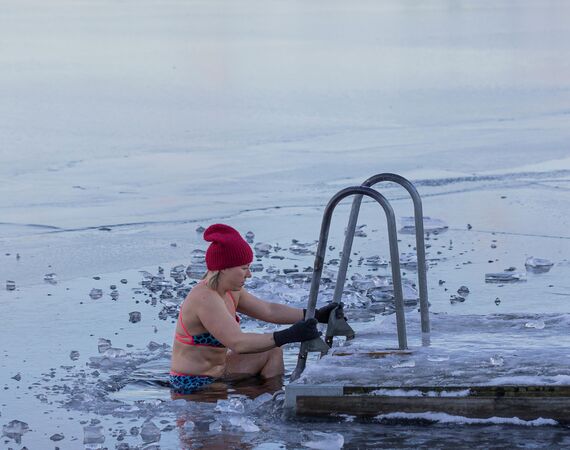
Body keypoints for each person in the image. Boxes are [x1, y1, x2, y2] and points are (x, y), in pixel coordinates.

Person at [169, 223, 339, 394]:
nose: (249, 274)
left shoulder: (230, 292)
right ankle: (268, 399)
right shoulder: (205, 298)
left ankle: (275, 398)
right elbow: (238, 343)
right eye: (244, 268)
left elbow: (269, 310)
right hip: (193, 383)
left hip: (220, 372)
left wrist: (314, 315)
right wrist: (289, 335)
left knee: (272, 351)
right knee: (273, 344)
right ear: (223, 268)